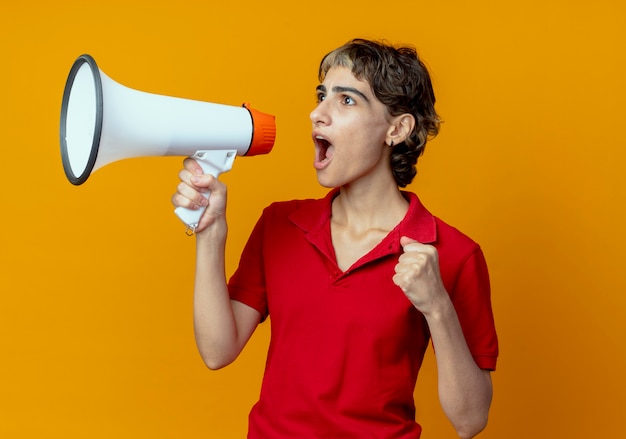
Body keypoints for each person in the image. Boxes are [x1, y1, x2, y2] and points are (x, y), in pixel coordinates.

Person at [172, 38, 498, 439]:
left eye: (347, 101)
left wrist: (438, 307)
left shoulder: (452, 254)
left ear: (397, 129)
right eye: (322, 95)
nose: (317, 113)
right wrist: (210, 233)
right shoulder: (280, 224)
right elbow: (217, 351)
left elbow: (471, 421)